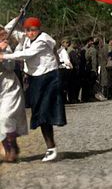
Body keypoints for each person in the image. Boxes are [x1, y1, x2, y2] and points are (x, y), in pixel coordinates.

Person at [1, 17, 66, 162]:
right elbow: (7, 29)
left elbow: (26, 54)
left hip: (49, 77)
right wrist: (19, 16)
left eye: (33, 30)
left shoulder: (43, 40)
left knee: (45, 112)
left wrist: (4, 56)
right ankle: (50, 148)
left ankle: (51, 148)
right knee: (39, 112)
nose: (30, 33)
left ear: (39, 29)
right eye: (27, 30)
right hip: (35, 78)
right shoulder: (25, 37)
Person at [0, 27, 28, 162]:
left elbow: (10, 67)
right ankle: (7, 149)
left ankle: (13, 146)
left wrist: (3, 54)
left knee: (6, 117)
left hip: (9, 87)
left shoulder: (7, 48)